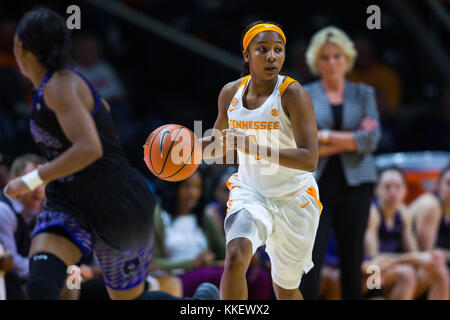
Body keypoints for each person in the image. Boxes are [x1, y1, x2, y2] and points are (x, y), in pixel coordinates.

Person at [5, 7, 218, 300]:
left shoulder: (60, 86)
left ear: (22, 48)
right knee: (41, 281)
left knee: (127, 300)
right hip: (70, 198)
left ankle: (197, 305)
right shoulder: (63, 83)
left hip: (115, 202)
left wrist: (29, 181)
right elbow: (102, 110)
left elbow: (90, 147)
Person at [201, 20, 322, 300]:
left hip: (295, 199)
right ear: (246, 55)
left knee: (286, 290)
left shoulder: (294, 94)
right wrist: (185, 149)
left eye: (278, 50)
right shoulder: (230, 93)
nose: (272, 56)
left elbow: (310, 159)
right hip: (251, 192)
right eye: (263, 49)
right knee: (235, 256)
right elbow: (217, 145)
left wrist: (253, 147)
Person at [299, 26, 381, 300]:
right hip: (316, 188)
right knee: (311, 260)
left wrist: (325, 136)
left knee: (352, 259)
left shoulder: (364, 93)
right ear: (315, 62)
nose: (331, 62)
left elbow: (371, 140)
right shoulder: (304, 93)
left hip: (357, 186)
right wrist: (351, 139)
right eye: (325, 57)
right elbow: (304, 146)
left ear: (346, 58)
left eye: (337, 56)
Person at [152, 170, 272, 299]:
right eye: (187, 186)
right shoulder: (159, 216)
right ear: (173, 187)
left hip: (207, 271)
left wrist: (244, 254)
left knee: (260, 277)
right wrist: (193, 263)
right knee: (211, 277)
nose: (193, 193)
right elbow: (152, 264)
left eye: (197, 187)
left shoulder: (205, 217)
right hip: (175, 277)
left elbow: (224, 251)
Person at [364, 167, 449, 300]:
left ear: (405, 190)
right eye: (387, 187)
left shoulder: (403, 214)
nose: (393, 191)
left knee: (438, 271)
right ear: (376, 190)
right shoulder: (372, 213)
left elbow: (415, 254)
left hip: (391, 269)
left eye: (397, 187)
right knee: (403, 274)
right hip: (368, 273)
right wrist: (414, 258)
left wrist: (426, 258)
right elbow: (374, 260)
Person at [0, 154, 46, 299]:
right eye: (32, 181)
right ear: (14, 182)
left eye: (43, 183)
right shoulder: (3, 210)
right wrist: (48, 268)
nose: (39, 189)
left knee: (74, 280)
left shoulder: (37, 209)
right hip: (8, 278)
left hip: (28, 274)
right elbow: (11, 263)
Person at [411, 165, 450, 267]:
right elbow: (426, 251)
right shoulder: (431, 205)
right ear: (438, 184)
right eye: (448, 183)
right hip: (411, 263)